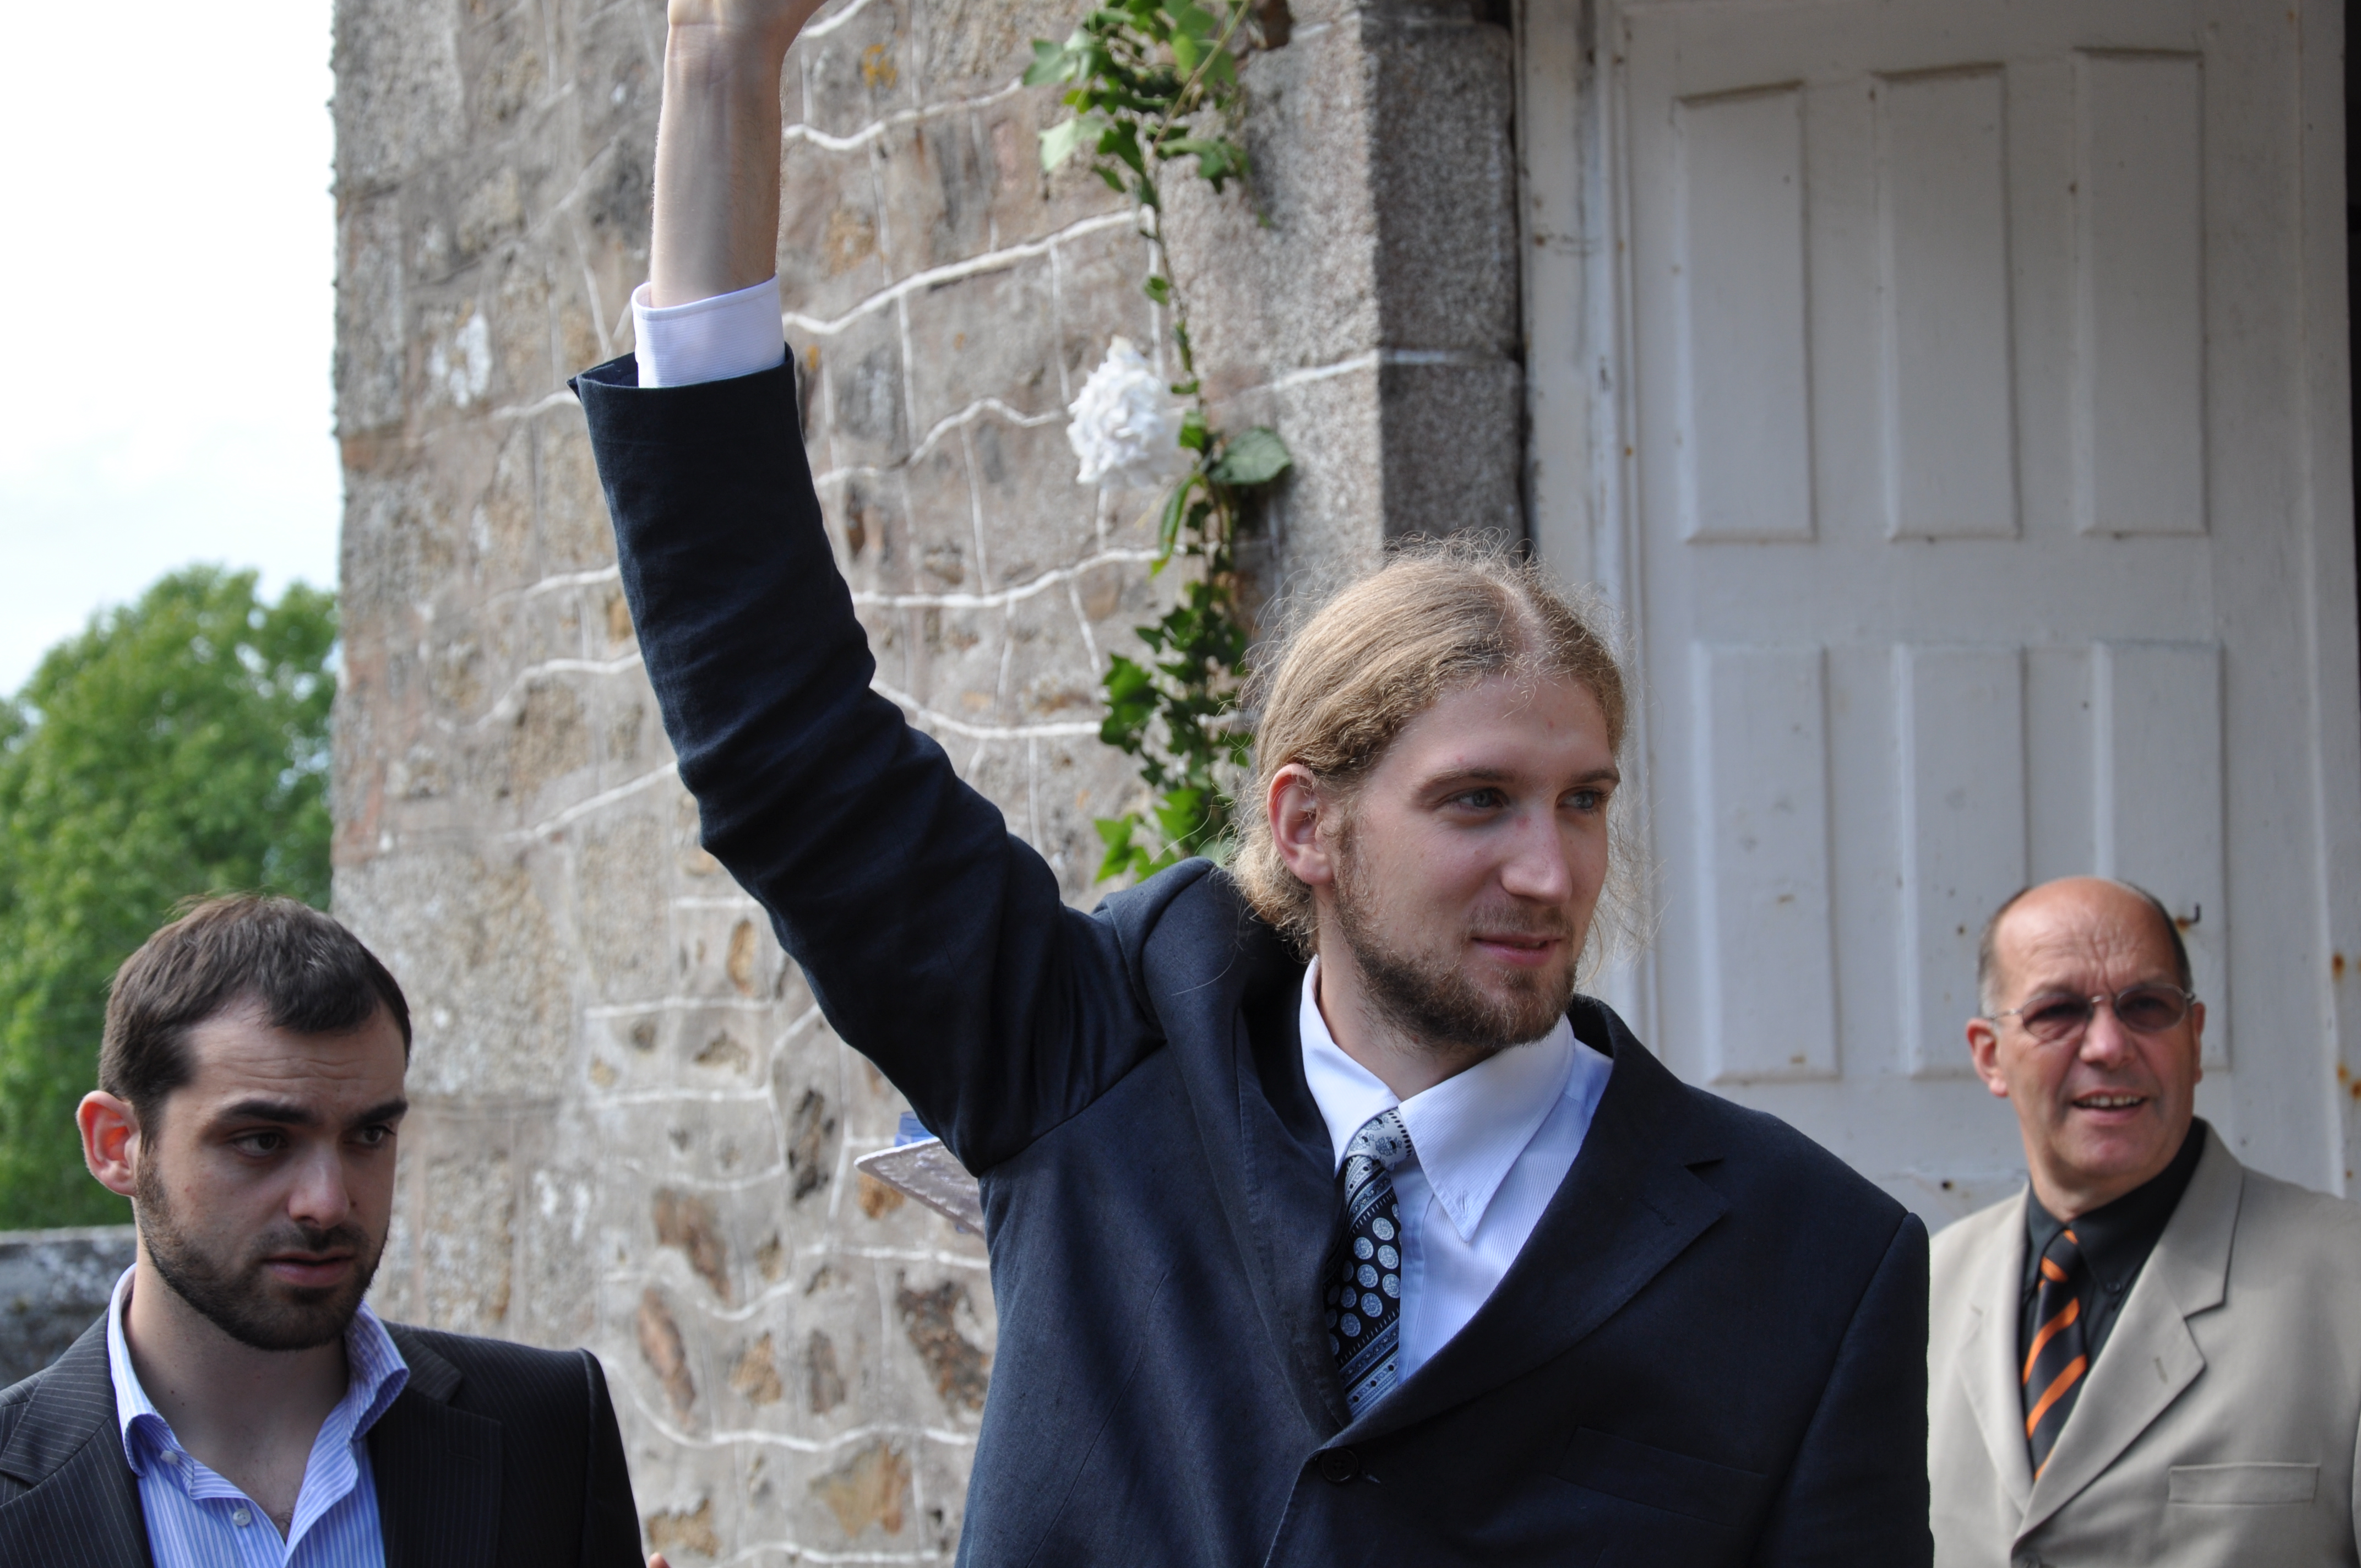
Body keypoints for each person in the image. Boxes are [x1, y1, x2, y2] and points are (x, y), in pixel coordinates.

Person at [584, 3, 1930, 1562]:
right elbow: (779, 735)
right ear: (1307, 824)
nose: (1550, 870)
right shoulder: (1092, 1066)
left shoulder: (1807, 1257)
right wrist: (720, 64)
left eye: (1583, 800)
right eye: (1477, 801)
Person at [0, 895, 644, 1565]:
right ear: (117, 1145)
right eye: (262, 1140)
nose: (328, 1202)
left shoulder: (548, 1426)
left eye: (370, 1134)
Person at [1929, 876, 2361, 1565]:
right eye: (2057, 1011)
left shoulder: (2346, 1280)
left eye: (2146, 1005)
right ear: (1990, 1055)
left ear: (2194, 1036)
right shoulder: (1919, 1292)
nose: (2108, 1045)